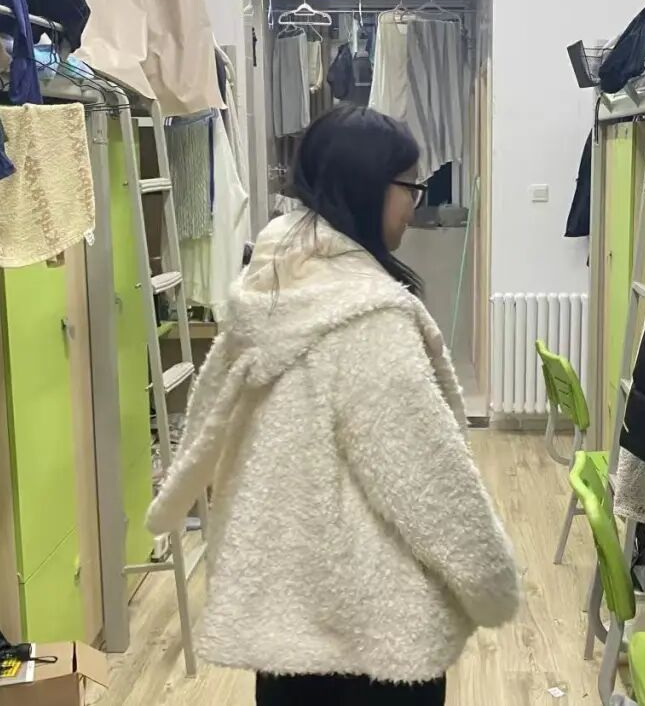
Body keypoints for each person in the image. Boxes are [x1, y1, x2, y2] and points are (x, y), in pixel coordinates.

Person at [147, 105, 520, 706]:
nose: (414, 205)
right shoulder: (365, 320)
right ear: (367, 188)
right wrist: (491, 582)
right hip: (373, 631)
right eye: (409, 187)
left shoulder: (276, 284)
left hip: (288, 622)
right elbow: (425, 479)